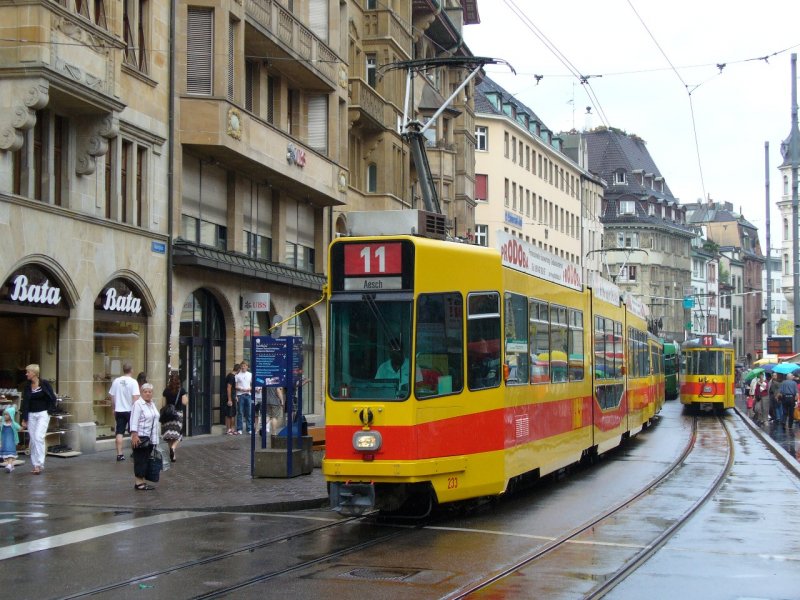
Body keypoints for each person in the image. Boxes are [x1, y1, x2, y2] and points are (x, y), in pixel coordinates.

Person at [20, 364, 57, 475]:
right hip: (31, 414)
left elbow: (52, 398)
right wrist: (24, 418)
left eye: (28, 372)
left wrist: (49, 411)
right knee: (33, 439)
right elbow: (25, 403)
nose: (26, 374)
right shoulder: (27, 386)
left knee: (38, 437)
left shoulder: (44, 384)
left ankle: (40, 463)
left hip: (42, 414)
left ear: (34, 373)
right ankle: (35, 464)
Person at [108, 362, 140, 462]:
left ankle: (119, 454)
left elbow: (112, 396)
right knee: (133, 431)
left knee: (119, 432)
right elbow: (135, 397)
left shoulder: (116, 381)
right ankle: (134, 452)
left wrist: (113, 408)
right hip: (130, 410)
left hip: (119, 410)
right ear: (131, 370)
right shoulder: (133, 382)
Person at [130, 383, 159, 490]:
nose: (148, 394)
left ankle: (142, 481)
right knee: (140, 460)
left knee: (145, 460)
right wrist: (134, 434)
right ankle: (139, 483)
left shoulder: (152, 404)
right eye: (145, 392)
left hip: (151, 438)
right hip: (141, 437)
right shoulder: (138, 404)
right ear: (141, 393)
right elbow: (134, 419)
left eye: (150, 392)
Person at [161, 371, 188, 462]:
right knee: (178, 434)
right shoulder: (182, 390)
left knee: (169, 435)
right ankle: (173, 448)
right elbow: (185, 402)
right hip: (177, 414)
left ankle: (172, 454)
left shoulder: (166, 390)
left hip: (168, 414)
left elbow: (163, 404)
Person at [1, 404, 21, 473]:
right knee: (5, 455)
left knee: (10, 454)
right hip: (4, 441)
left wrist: (24, 426)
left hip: (11, 442)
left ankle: (9, 465)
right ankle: (10, 465)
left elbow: (20, 428)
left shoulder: (13, 424)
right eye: (4, 414)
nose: (5, 416)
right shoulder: (2, 424)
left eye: (6, 415)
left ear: (11, 415)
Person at [234, 361, 253, 435]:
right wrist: (241, 389)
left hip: (248, 394)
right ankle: (239, 428)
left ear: (247, 367)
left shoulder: (250, 374)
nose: (243, 367)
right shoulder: (237, 375)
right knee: (240, 412)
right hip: (240, 395)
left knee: (249, 413)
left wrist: (250, 389)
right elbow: (235, 386)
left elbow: (252, 384)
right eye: (242, 366)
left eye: (245, 366)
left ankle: (249, 428)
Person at [224, 363, 240, 435]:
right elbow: (229, 388)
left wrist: (235, 396)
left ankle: (231, 429)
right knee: (230, 414)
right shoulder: (231, 376)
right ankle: (229, 429)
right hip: (230, 397)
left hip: (232, 396)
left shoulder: (230, 375)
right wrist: (229, 399)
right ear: (238, 370)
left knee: (231, 413)